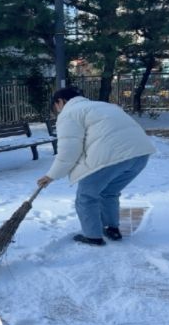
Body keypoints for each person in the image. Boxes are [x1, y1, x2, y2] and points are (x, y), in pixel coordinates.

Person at [37, 86, 156, 246]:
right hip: (140, 155)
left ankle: (93, 236)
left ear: (60, 101)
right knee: (109, 192)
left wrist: (51, 176)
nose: (57, 111)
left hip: (111, 157)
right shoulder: (103, 106)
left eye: (55, 107)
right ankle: (112, 229)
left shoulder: (69, 113)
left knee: (86, 197)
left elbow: (68, 151)